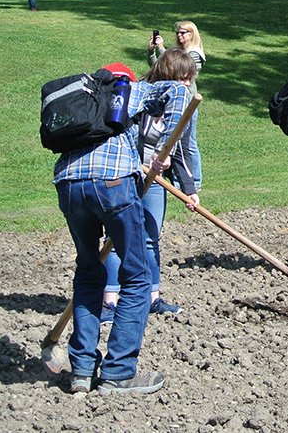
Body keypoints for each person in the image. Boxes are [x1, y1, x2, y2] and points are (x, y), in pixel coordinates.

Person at [54, 61, 191, 395]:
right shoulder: (127, 89)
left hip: (68, 184)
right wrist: (162, 151)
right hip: (113, 183)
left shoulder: (84, 100)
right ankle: (117, 372)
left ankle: (82, 371)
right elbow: (178, 91)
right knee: (137, 275)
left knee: (88, 273)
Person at [102, 49, 199, 322]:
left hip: (157, 183)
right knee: (115, 237)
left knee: (150, 238)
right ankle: (111, 301)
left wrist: (189, 189)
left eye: (191, 79)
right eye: (184, 78)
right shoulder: (137, 98)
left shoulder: (183, 107)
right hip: (125, 176)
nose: (188, 85)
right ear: (169, 75)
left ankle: (152, 298)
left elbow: (180, 150)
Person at [150, 22, 205, 191]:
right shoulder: (177, 52)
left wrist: (163, 51)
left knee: (188, 143)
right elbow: (158, 66)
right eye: (178, 32)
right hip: (170, 102)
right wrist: (152, 50)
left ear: (192, 34)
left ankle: (194, 181)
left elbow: (176, 67)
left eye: (183, 32)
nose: (180, 35)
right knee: (173, 140)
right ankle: (172, 177)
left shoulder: (196, 54)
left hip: (187, 102)